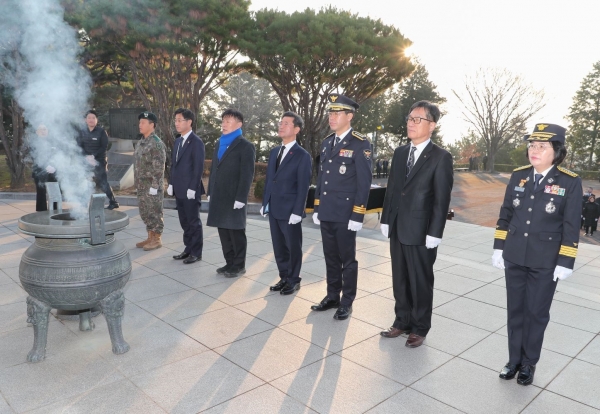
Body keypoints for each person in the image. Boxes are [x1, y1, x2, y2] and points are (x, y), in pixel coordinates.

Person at [492, 123, 581, 386]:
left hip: (546, 261)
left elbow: (571, 225)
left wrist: (566, 260)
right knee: (515, 311)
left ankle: (529, 363)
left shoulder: (569, 182)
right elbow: (506, 213)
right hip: (515, 255)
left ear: (557, 151)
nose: (534, 150)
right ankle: (513, 360)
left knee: (536, 314)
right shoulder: (519, 176)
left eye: (542, 146)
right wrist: (499, 247)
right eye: (532, 145)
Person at [379, 100, 453, 348]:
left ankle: (420, 327)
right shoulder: (400, 153)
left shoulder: (441, 157)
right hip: (398, 227)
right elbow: (392, 190)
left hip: (422, 231)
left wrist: (435, 232)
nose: (411, 123)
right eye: (410, 118)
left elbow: (441, 199)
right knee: (399, 277)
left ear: (431, 125)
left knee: (420, 280)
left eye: (417, 119)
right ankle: (402, 321)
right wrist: (386, 219)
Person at [311, 94, 372, 320]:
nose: (331, 117)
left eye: (337, 113)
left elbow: (363, 182)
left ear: (350, 116)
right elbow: (322, 178)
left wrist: (358, 213)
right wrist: (317, 207)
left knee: (347, 259)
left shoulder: (360, 143)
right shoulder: (328, 142)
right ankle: (332, 296)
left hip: (346, 214)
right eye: (330, 113)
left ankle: (347, 301)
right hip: (327, 211)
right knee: (330, 257)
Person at [261, 111, 312, 295]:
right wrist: (265, 202)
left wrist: (298, 212)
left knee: (292, 246)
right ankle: (284, 277)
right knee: (279, 246)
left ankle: (294, 279)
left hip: (290, 210)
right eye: (280, 123)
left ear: (296, 129)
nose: (281, 126)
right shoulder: (275, 151)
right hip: (274, 208)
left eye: (286, 123)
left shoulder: (302, 155)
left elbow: (303, 186)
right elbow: (270, 180)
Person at [207, 109, 255, 277]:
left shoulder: (246, 146)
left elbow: (247, 174)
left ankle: (239, 265)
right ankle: (229, 263)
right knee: (223, 231)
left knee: (236, 232)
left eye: (228, 121)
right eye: (223, 121)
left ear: (239, 125)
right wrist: (210, 191)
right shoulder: (220, 143)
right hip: (219, 195)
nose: (224, 124)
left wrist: (242, 197)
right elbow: (214, 168)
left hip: (234, 196)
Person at [167, 108, 206, 264]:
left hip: (190, 190)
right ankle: (188, 249)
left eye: (180, 120)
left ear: (189, 122)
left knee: (193, 222)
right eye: (175, 120)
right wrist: (171, 183)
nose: (176, 123)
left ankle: (196, 252)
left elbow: (198, 167)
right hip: (179, 189)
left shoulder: (196, 142)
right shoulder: (178, 141)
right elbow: (173, 165)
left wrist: (192, 187)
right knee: (184, 221)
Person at [133, 112, 166, 250]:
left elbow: (159, 167)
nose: (140, 125)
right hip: (141, 186)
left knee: (154, 211)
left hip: (152, 186)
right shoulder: (141, 142)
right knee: (145, 212)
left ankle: (157, 239)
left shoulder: (156, 143)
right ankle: (150, 236)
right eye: (139, 122)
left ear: (152, 125)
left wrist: (155, 186)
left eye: (143, 122)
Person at [77, 110, 119, 209]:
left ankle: (113, 202)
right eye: (89, 118)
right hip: (86, 161)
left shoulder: (101, 132)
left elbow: (103, 147)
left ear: (96, 120)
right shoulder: (82, 132)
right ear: (85, 120)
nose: (91, 120)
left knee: (103, 182)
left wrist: (93, 157)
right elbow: (79, 146)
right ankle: (83, 203)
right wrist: (87, 157)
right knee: (84, 181)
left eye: (93, 118)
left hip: (99, 161)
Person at [31, 124, 58, 212]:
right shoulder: (34, 143)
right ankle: (41, 213)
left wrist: (54, 165)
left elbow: (58, 155)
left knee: (54, 193)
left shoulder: (53, 142)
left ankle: (56, 211)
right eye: (40, 129)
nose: (43, 131)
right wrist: (46, 166)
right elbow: (35, 157)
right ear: (37, 132)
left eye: (45, 129)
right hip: (39, 171)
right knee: (41, 193)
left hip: (52, 171)